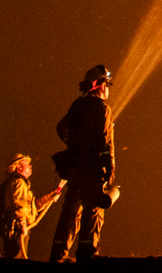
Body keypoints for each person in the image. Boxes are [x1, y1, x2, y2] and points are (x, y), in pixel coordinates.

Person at [49, 64, 117, 262]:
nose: (108, 89)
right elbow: (105, 143)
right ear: (100, 86)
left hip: (75, 168)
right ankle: (86, 255)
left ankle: (58, 254)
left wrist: (73, 144)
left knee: (70, 211)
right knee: (93, 210)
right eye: (107, 84)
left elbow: (61, 127)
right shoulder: (102, 109)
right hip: (93, 169)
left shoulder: (77, 105)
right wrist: (109, 169)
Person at [0, 153, 65, 260]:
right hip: (18, 229)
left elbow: (32, 206)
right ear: (18, 167)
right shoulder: (18, 183)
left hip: (19, 228)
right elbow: (19, 205)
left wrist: (50, 197)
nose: (30, 166)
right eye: (27, 163)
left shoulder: (21, 183)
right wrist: (23, 223)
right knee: (17, 259)